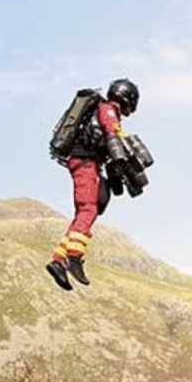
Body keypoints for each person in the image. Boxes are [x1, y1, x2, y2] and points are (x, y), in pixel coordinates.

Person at [46, 77, 140, 292]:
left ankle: (58, 261)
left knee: (83, 213)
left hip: (86, 163)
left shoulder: (101, 109)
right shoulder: (108, 110)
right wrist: (122, 158)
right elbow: (112, 134)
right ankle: (74, 257)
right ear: (126, 98)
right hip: (86, 163)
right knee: (89, 210)